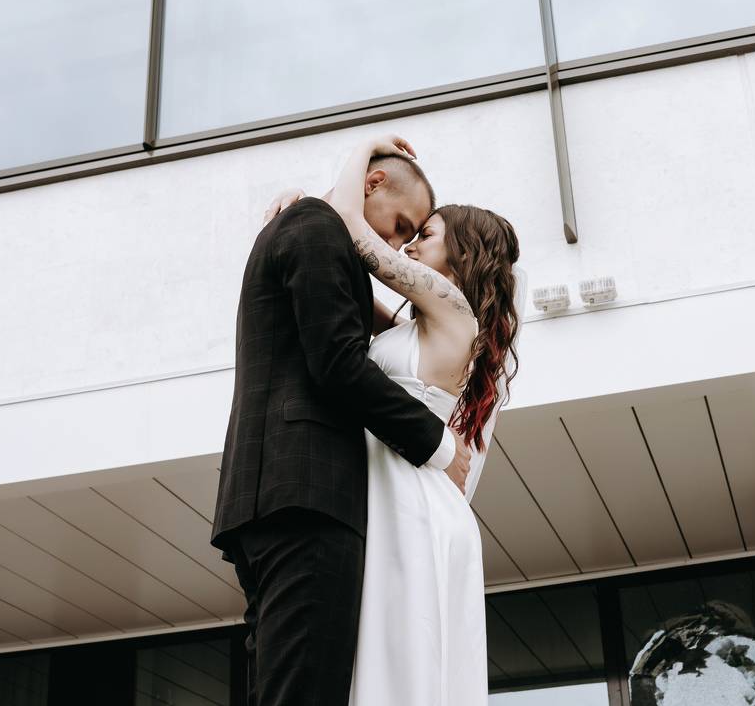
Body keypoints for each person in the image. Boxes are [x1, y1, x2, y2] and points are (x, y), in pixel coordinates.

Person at [211, 137, 474, 706]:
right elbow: (337, 364)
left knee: (286, 686)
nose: (398, 245)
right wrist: (438, 443)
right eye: (401, 226)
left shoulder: (308, 227)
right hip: (307, 495)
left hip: (274, 496)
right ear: (373, 184)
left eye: (412, 235)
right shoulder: (317, 226)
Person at [265, 135, 523, 706]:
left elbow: (352, 231)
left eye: (424, 234)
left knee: (402, 659)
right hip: (388, 494)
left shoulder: (454, 310)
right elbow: (338, 289)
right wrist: (299, 209)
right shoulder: (418, 327)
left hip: (412, 504)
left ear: (462, 253)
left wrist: (365, 149)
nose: (406, 245)